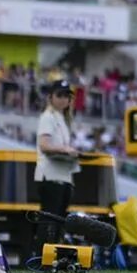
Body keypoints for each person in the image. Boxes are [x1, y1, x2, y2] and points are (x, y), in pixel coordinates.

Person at [33, 79, 82, 256]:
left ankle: (52, 256)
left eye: (66, 96)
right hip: (50, 175)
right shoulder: (48, 117)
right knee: (49, 221)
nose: (63, 99)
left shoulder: (63, 119)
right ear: (51, 97)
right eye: (59, 95)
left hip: (62, 175)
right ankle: (42, 257)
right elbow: (44, 145)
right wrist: (65, 150)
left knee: (59, 220)